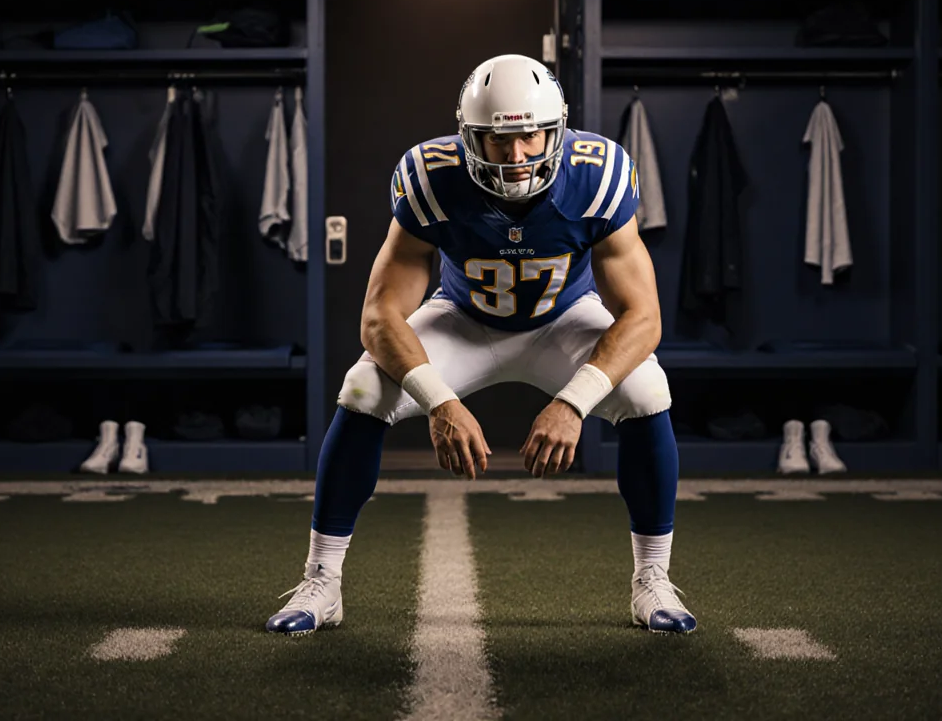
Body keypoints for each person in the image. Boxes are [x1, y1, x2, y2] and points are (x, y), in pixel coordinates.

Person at [266, 54, 695, 636]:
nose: (517, 156)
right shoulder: (430, 177)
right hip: (464, 319)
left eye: (531, 136)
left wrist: (574, 402)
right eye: (498, 140)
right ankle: (323, 580)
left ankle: (653, 578)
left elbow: (643, 317)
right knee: (363, 387)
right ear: (470, 137)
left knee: (647, 388)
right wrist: (439, 402)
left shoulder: (598, 174)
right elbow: (379, 315)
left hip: (562, 319)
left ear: (557, 129)